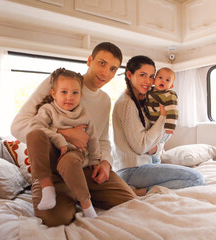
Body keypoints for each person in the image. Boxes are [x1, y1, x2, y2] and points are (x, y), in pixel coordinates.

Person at [11, 42, 136, 227]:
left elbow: (102, 140)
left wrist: (105, 162)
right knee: (56, 220)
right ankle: (65, 195)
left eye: (112, 69)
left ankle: (83, 195)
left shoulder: (104, 100)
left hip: (86, 168)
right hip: (53, 169)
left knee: (131, 202)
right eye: (101, 63)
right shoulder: (60, 82)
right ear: (90, 60)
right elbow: (18, 126)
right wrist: (64, 134)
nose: (105, 73)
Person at [112, 55, 204, 196]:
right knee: (195, 178)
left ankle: (143, 188)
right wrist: (162, 117)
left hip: (142, 165)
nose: (148, 81)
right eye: (143, 75)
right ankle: (140, 192)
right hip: (131, 170)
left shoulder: (143, 101)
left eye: (151, 76)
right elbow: (142, 146)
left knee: (191, 176)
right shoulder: (126, 103)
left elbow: (153, 144)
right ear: (129, 75)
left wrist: (155, 149)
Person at [28, 68, 99, 218]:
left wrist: (95, 159)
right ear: (54, 93)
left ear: (81, 94)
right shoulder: (48, 110)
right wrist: (58, 138)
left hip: (73, 152)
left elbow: (92, 138)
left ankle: (87, 206)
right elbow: (35, 127)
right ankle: (47, 188)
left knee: (69, 162)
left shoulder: (84, 114)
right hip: (50, 153)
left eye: (75, 93)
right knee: (34, 135)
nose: (70, 97)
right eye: (64, 92)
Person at [145, 67, 178, 163]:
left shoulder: (169, 95)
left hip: (165, 127)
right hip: (153, 124)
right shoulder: (149, 92)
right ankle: (159, 153)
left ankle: (157, 161)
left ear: (171, 86)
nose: (163, 81)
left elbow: (173, 111)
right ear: (154, 79)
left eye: (167, 80)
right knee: (152, 144)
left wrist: (170, 127)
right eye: (160, 77)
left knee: (155, 146)